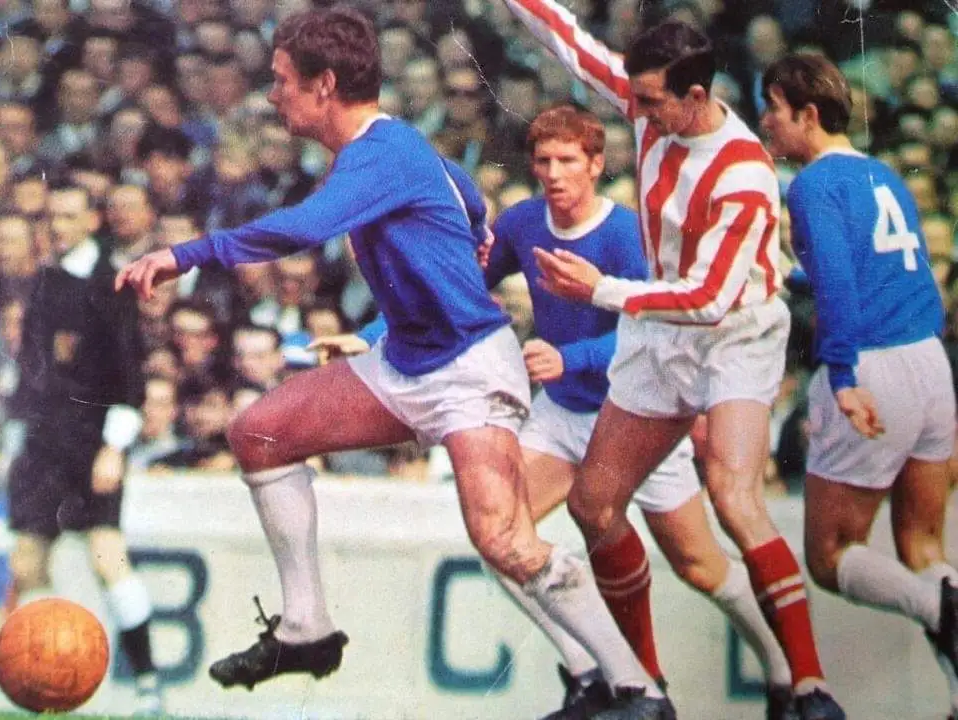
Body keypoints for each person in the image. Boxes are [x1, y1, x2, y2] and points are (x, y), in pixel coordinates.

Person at [115, 7, 667, 715]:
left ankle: (637, 688)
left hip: (469, 369)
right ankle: (306, 627)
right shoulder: (391, 146)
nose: (272, 95)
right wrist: (473, 227)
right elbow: (463, 190)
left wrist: (184, 254)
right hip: (406, 361)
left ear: (325, 85)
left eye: (282, 81)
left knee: (505, 540)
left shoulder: (381, 153)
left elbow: (305, 227)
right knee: (260, 432)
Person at [334, 103, 795, 720]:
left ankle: (783, 672)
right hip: (562, 415)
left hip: (636, 414)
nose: (553, 173)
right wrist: (370, 336)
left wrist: (570, 356)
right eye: (543, 161)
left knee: (699, 564)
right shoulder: (525, 222)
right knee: (501, 537)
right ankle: (591, 674)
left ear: (597, 165)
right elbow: (453, 288)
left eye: (567, 161)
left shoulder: (627, 234)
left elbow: (656, 326)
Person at [498, 5, 845, 719]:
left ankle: (810, 687)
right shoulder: (649, 103)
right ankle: (644, 687)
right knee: (594, 506)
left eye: (653, 101)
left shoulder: (743, 170)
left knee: (734, 500)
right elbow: (570, 44)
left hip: (734, 336)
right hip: (659, 331)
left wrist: (601, 290)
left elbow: (710, 298)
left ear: (695, 95)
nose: (639, 112)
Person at [760, 52, 958, 719]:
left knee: (829, 555)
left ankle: (941, 609)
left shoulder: (813, 185)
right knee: (923, 547)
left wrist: (842, 376)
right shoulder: (883, 173)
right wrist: (791, 275)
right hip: (928, 361)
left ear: (808, 114)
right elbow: (885, 269)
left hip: (870, 363)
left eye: (774, 110)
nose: (766, 123)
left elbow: (842, 290)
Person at [5, 181, 164, 714]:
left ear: (93, 221)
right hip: (43, 442)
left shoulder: (109, 286)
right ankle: (38, 677)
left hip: (92, 443)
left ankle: (148, 683)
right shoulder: (44, 282)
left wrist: (114, 448)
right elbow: (31, 371)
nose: (59, 226)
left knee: (107, 556)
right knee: (27, 561)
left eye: (70, 216)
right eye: (53, 217)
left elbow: (130, 377)